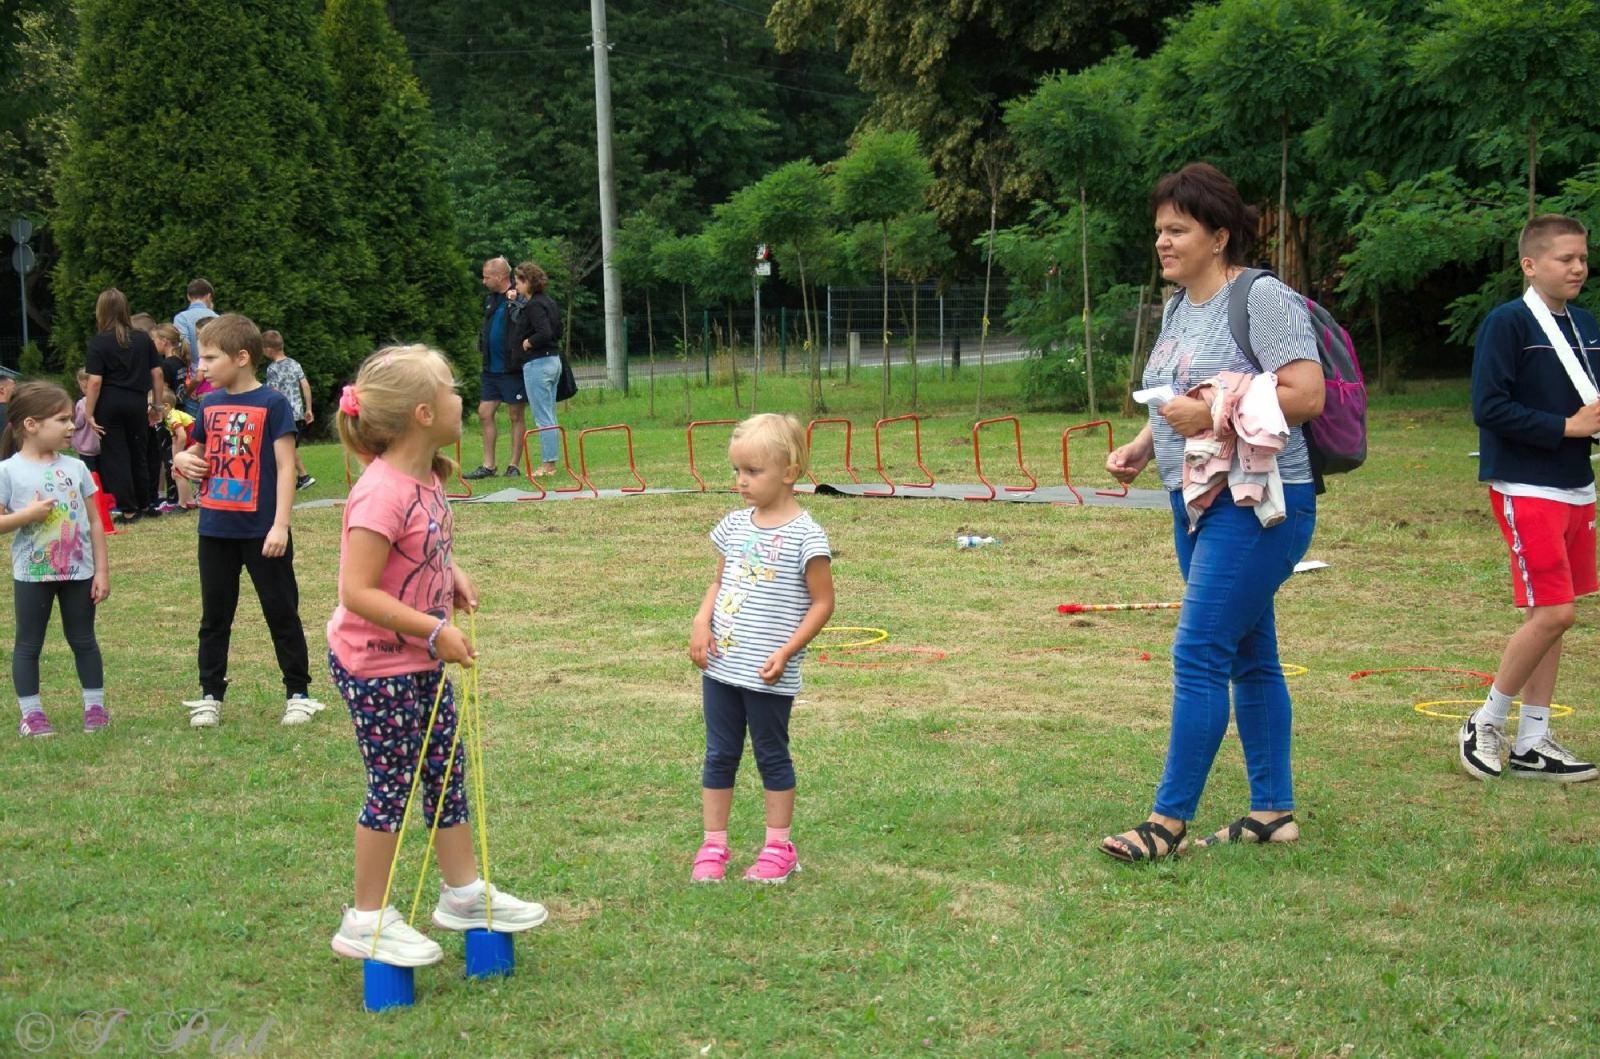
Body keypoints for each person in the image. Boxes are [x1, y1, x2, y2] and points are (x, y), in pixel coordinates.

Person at [1099, 162, 1323, 862]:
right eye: (1159, 230)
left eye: (1178, 230)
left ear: (1219, 235)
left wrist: (1212, 409)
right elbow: (1176, 396)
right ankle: (1271, 813)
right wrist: (1144, 442)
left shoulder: (1262, 298)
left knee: (1198, 651)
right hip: (1193, 498)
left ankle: (1166, 823)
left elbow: (1306, 393)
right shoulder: (1177, 306)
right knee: (1250, 655)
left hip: (1258, 502)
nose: (1163, 242)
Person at [327, 344, 547, 966]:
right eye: (452, 390)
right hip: (376, 664)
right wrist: (431, 630)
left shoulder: (427, 477)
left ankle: (463, 894)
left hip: (420, 659)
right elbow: (357, 590)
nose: (461, 398)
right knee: (391, 787)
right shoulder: (379, 494)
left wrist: (449, 570)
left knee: (446, 774)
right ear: (424, 413)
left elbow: (417, 548)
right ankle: (365, 919)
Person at [1459, 214, 1600, 783]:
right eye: (1565, 258)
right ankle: (1485, 721)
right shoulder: (1508, 323)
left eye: (1583, 258)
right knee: (1555, 611)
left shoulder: (1587, 324)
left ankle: (1533, 739)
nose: (1577, 267)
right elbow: (1488, 409)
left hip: (1576, 486)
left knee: (1557, 616)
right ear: (1531, 265)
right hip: (1526, 483)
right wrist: (1567, 427)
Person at [688, 413, 835, 883]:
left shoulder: (806, 536)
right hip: (722, 666)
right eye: (737, 471)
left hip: (769, 672)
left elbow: (823, 602)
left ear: (789, 471)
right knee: (719, 753)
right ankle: (714, 845)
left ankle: (778, 848)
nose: (741, 482)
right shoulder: (733, 525)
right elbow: (718, 581)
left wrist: (788, 650)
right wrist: (700, 621)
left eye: (753, 472)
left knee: (771, 753)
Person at [171, 314, 323, 729]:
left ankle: (298, 693)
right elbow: (197, 452)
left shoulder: (272, 403)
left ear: (241, 357)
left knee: (281, 611)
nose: (202, 366)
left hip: (262, 531)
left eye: (210, 357)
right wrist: (181, 459)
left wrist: (280, 525)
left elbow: (287, 467)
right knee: (214, 616)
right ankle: (209, 695)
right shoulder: (208, 403)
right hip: (215, 529)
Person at [0, 382, 110, 736]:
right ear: (31, 424)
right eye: (62, 419)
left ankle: (95, 708)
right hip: (32, 575)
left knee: (83, 640)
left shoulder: (76, 468)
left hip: (79, 572)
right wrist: (27, 515)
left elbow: (95, 521)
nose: (71, 426)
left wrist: (102, 572)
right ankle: (31, 714)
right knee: (29, 644)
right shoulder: (8, 471)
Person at [82, 288, 165, 524]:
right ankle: (146, 502)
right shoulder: (142, 339)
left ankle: (129, 509)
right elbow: (157, 374)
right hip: (136, 401)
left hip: (109, 402)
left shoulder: (99, 342)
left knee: (116, 455)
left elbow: (95, 381)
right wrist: (157, 406)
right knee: (139, 451)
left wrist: (88, 413)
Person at [463, 256, 527, 480]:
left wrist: (515, 301)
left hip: (511, 369)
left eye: (487, 276)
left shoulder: (519, 296)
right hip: (491, 368)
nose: (483, 281)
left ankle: (514, 465)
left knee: (515, 414)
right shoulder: (491, 300)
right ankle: (489, 465)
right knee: (484, 412)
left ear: (500, 276)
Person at [509, 261, 562, 477]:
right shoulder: (548, 302)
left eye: (519, 281)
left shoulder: (533, 306)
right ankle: (552, 460)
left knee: (543, 416)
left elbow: (545, 332)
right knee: (549, 413)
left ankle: (548, 464)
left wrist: (528, 342)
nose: (516, 285)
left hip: (538, 363)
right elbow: (558, 329)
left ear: (529, 282)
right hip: (553, 361)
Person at [261, 329, 316, 489]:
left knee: (284, 448)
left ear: (269, 349)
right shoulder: (294, 363)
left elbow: (273, 393)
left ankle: (297, 477)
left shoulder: (272, 369)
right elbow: (305, 385)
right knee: (290, 447)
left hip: (282, 413)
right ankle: (303, 477)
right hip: (298, 413)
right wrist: (309, 408)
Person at [173, 278, 218, 415]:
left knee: (193, 431)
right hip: (216, 382)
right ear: (209, 296)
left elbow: (182, 351)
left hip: (192, 384)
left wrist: (189, 386)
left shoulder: (181, 318)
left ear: (188, 296)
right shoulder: (218, 318)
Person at [71, 370, 101, 474]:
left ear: (84, 385)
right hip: (100, 445)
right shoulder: (103, 401)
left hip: (86, 447)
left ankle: (93, 489)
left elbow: (78, 423)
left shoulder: (82, 403)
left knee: (90, 473)